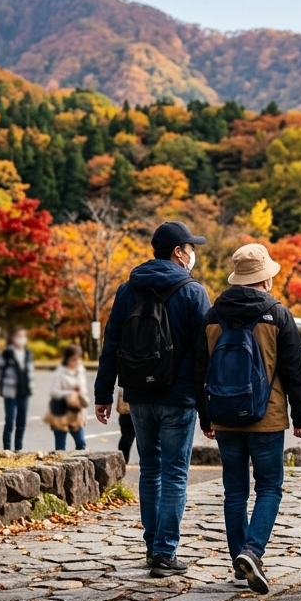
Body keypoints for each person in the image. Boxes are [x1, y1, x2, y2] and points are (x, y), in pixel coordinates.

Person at [94, 221, 212, 579]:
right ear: (178, 252)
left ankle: (151, 545)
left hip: (139, 396)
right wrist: (207, 410)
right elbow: (203, 355)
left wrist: (104, 394)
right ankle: (165, 552)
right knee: (175, 473)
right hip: (179, 397)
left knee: (150, 470)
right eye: (190, 247)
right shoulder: (194, 293)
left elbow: (111, 345)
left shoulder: (127, 289)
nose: (193, 253)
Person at [194, 243, 301, 595]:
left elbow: (201, 370)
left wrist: (206, 416)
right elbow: (293, 371)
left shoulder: (213, 315)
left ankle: (238, 564)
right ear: (265, 280)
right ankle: (252, 551)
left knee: (234, 491)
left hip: (225, 416)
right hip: (267, 417)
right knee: (270, 487)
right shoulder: (278, 314)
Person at [0, 326, 34, 452]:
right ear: (12, 338)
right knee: (10, 421)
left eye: (23, 336)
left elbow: (30, 372)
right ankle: (7, 448)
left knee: (21, 422)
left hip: (24, 391)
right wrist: (3, 386)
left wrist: (31, 387)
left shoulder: (27, 353)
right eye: (19, 336)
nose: (21, 339)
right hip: (10, 392)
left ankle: (18, 448)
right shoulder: (7, 353)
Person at [45, 344, 89, 451]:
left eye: (79, 358)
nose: (77, 362)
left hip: (76, 411)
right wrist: (70, 393)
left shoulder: (80, 371)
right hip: (61, 410)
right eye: (73, 359)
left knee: (81, 443)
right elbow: (53, 391)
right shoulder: (60, 373)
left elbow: (83, 392)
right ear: (67, 359)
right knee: (60, 446)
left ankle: (81, 465)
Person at [116, 388, 135, 463]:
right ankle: (123, 460)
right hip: (127, 412)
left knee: (126, 438)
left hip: (128, 410)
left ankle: (122, 460)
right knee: (126, 438)